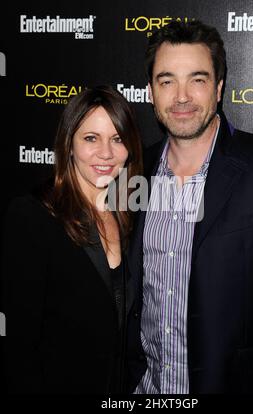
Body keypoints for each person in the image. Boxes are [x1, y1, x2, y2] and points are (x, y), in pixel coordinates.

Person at [126, 20, 253, 394]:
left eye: (198, 79)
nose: (182, 96)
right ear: (151, 92)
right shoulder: (132, 173)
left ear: (219, 87)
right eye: (167, 80)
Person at [1, 85, 143, 394]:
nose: (106, 153)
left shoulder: (131, 218)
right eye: (91, 138)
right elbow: (20, 347)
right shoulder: (33, 217)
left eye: (117, 139)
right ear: (69, 144)